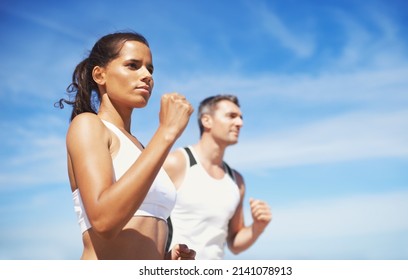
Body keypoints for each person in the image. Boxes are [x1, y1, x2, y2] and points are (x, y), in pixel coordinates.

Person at [56, 31, 195, 260]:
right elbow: (104, 221)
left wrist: (165, 259)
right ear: (100, 75)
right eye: (133, 65)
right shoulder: (88, 125)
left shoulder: (141, 148)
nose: (146, 76)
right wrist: (166, 132)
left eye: (150, 69)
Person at [163, 94, 272, 259]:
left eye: (241, 118)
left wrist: (258, 227)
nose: (240, 123)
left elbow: (234, 243)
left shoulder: (237, 181)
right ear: (207, 121)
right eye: (231, 116)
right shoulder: (176, 163)